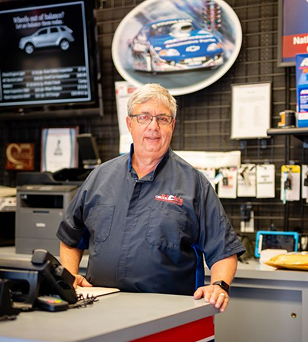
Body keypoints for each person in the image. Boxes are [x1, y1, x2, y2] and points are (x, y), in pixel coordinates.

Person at [56, 83, 245, 312]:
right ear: (130, 124)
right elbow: (70, 236)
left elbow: (224, 250)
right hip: (99, 310)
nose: (153, 127)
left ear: (172, 126)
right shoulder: (100, 177)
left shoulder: (194, 184)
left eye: (162, 119)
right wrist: (71, 274)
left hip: (166, 316)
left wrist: (218, 285)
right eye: (144, 117)